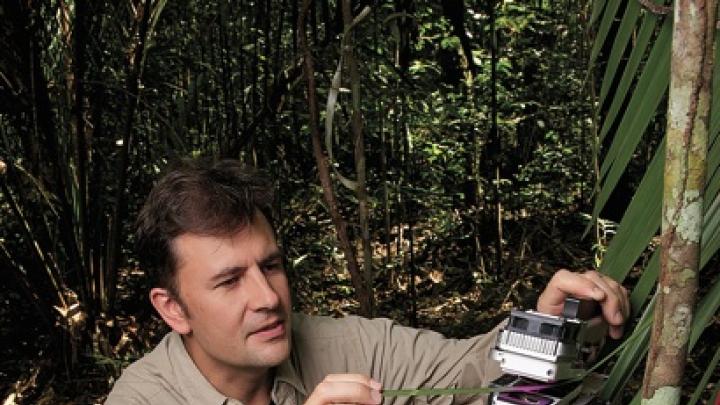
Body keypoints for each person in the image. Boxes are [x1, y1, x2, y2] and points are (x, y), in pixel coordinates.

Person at [105, 158, 630, 405]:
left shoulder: (342, 345)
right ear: (172, 309)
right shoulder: (144, 400)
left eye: (270, 267)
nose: (268, 299)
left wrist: (549, 322)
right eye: (228, 282)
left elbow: (473, 373)